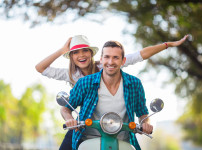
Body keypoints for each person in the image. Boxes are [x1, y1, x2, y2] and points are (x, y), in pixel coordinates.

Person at [35, 34, 189, 150]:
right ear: (71, 56)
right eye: (75, 52)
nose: (81, 55)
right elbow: (41, 69)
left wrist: (168, 44)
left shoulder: (108, 66)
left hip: (118, 129)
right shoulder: (74, 76)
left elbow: (140, 55)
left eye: (84, 51)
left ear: (93, 55)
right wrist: (62, 50)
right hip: (85, 126)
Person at [62, 40, 153, 150]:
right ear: (101, 59)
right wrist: (69, 119)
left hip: (122, 141)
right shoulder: (85, 82)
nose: (110, 62)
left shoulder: (134, 84)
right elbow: (65, 108)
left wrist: (146, 123)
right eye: (107, 57)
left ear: (123, 61)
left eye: (116, 57)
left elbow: (142, 113)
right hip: (88, 140)